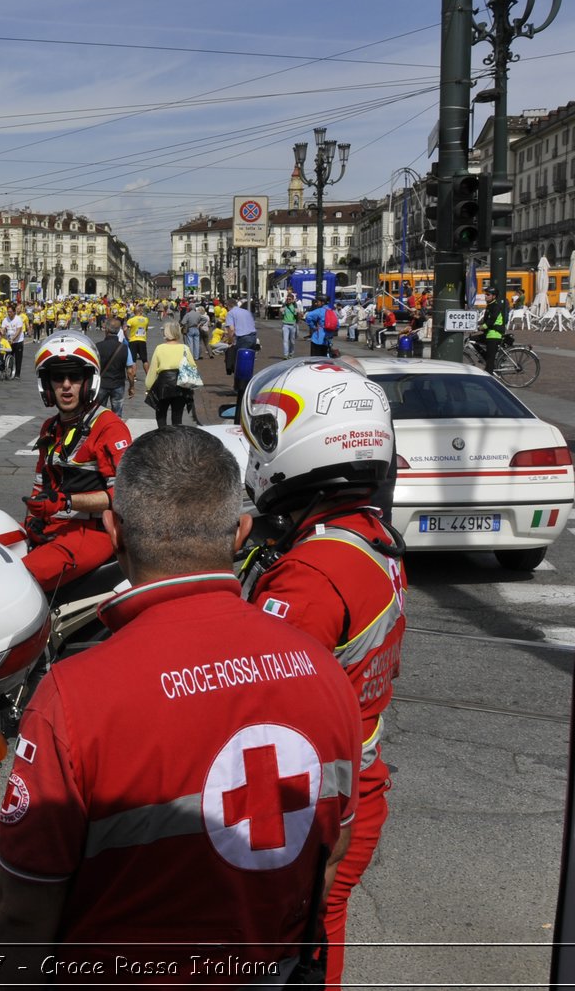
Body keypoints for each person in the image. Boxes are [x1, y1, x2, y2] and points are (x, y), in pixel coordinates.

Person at [0, 425, 361, 983]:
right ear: (239, 534)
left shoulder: (73, 697)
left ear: (113, 529)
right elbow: (333, 855)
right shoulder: (324, 671)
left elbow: (25, 908)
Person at [240, 359, 408, 989]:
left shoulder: (311, 579)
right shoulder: (365, 536)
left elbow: (255, 702)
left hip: (311, 799)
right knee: (319, 928)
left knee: (294, 949)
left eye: (267, 432)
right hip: (355, 777)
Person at [20, 331, 133, 595]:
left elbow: (125, 496)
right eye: (58, 378)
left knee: (17, 580)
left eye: (75, 377)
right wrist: (32, 521)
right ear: (47, 386)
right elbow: (40, 485)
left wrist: (66, 501)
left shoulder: (109, 427)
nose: (66, 385)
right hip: (55, 528)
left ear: (89, 381)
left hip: (93, 532)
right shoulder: (50, 427)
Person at [144, 321, 195, 428]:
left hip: (164, 384)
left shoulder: (160, 348)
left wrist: (148, 386)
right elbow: (193, 367)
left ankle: (163, 436)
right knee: (177, 416)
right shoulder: (185, 348)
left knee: (161, 414)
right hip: (181, 384)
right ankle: (175, 439)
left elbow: (153, 370)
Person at [92, 318, 135, 415]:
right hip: (118, 385)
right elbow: (130, 371)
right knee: (117, 414)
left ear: (106, 330)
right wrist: (132, 386)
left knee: (99, 413)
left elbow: (92, 367)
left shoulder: (97, 347)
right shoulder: (124, 348)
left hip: (101, 384)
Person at [477, 285, 508, 372]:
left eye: (488, 294)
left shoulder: (495, 307)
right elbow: (485, 320)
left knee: (490, 361)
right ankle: (485, 357)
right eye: (485, 294)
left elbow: (491, 321)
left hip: (495, 334)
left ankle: (490, 374)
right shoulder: (490, 305)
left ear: (494, 296)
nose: (485, 296)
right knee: (471, 339)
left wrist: (481, 328)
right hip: (488, 333)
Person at [281, 292, 300, 358]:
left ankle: (291, 353)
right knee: (285, 341)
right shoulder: (285, 306)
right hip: (285, 325)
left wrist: (296, 310)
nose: (288, 300)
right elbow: (280, 311)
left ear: (292, 300)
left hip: (293, 325)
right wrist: (283, 306)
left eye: (290, 299)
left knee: (292, 341)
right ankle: (286, 355)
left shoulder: (294, 306)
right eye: (287, 299)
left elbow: (298, 313)